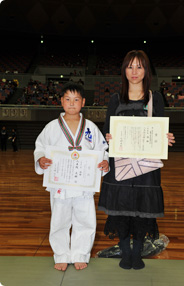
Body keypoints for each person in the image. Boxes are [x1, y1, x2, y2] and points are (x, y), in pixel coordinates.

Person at [98, 50, 175, 270]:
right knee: (121, 208)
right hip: (120, 166)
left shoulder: (155, 98)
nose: (134, 71)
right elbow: (106, 130)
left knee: (143, 208)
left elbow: (160, 130)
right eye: (130, 66)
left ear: (146, 70)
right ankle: (125, 250)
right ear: (124, 70)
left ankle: (138, 250)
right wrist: (109, 136)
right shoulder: (115, 99)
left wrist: (166, 137)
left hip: (145, 167)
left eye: (139, 66)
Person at [34, 82, 109, 272]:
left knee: (85, 219)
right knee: (59, 218)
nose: (72, 103)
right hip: (60, 181)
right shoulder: (51, 127)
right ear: (61, 101)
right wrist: (40, 159)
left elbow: (102, 150)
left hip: (83, 182)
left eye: (76, 100)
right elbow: (40, 146)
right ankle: (60, 254)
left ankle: (80, 254)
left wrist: (104, 162)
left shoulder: (90, 127)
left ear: (83, 102)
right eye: (68, 99)